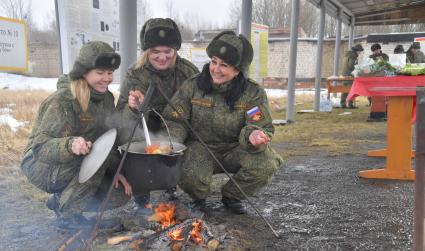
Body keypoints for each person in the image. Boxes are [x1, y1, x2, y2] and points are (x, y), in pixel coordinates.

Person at [162, 31, 283, 214]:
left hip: (236, 149)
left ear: (237, 70)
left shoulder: (252, 92)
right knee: (191, 173)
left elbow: (258, 123)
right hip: (200, 148)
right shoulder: (193, 86)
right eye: (214, 61)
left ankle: (232, 196)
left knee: (267, 163)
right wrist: (173, 143)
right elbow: (175, 119)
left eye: (224, 65)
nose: (216, 69)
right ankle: (199, 198)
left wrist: (253, 135)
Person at [21, 41, 132, 229]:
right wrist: (70, 145)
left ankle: (61, 201)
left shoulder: (106, 99)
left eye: (110, 72)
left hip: (76, 162)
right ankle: (68, 217)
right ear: (84, 72)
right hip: (41, 164)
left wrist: (115, 171)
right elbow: (40, 147)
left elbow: (108, 139)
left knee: (120, 194)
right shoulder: (63, 100)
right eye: (100, 72)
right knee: (95, 160)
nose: (106, 78)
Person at [116, 18, 199, 211]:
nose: (162, 57)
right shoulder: (135, 74)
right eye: (155, 51)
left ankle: (171, 186)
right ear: (146, 51)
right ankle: (141, 194)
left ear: (175, 51)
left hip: (178, 128)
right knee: (131, 136)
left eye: (167, 51)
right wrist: (132, 107)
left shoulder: (188, 72)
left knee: (176, 145)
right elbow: (121, 114)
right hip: (144, 128)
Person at [341, 44, 364, 108]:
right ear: (357, 51)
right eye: (360, 51)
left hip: (344, 74)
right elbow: (351, 66)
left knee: (345, 90)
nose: (360, 53)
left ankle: (343, 104)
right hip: (349, 75)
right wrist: (358, 68)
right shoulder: (353, 56)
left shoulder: (348, 54)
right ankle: (350, 104)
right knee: (352, 90)